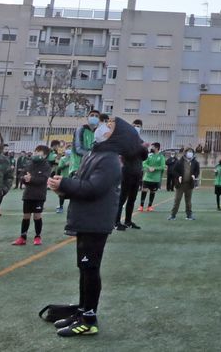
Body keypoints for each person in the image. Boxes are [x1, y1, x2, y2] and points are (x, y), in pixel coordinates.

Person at [47, 116, 136, 337]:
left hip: (96, 222)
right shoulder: (96, 154)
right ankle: (81, 311)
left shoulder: (109, 159)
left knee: (90, 268)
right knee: (85, 268)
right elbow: (83, 184)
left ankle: (88, 320)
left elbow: (93, 188)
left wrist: (65, 184)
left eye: (110, 125)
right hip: (88, 219)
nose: (102, 126)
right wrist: (63, 189)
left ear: (114, 135)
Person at [14, 143, 52, 246]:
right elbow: (22, 175)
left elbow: (43, 179)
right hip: (28, 195)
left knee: (37, 216)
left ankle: (37, 236)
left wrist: (31, 179)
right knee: (26, 216)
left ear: (44, 155)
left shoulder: (46, 166)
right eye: (35, 151)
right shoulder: (29, 163)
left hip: (39, 195)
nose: (35, 154)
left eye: (38, 152)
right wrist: (24, 179)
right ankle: (22, 237)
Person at [115, 119, 146, 231]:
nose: (137, 128)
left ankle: (128, 221)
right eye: (135, 126)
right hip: (127, 172)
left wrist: (144, 149)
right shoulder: (125, 140)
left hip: (137, 173)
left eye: (138, 126)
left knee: (132, 198)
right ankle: (116, 221)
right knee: (122, 197)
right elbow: (126, 155)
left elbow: (144, 157)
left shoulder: (141, 141)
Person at [168, 147, 199, 220]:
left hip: (189, 184)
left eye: (191, 152)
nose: (190, 153)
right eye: (189, 151)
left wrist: (194, 175)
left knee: (188, 202)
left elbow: (197, 171)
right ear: (185, 153)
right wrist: (178, 176)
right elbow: (174, 171)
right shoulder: (179, 162)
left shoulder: (195, 162)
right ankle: (173, 215)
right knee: (177, 200)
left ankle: (189, 215)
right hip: (180, 185)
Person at [139, 144, 165, 212]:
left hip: (155, 178)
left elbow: (162, 166)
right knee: (144, 190)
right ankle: (141, 206)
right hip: (147, 177)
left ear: (157, 148)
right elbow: (144, 163)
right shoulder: (149, 155)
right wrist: (149, 167)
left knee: (152, 192)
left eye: (152, 147)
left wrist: (154, 168)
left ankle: (149, 206)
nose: (151, 148)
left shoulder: (161, 156)